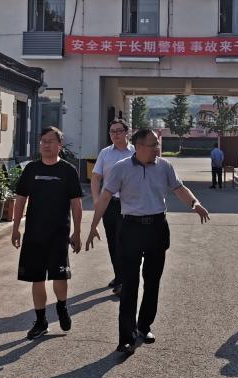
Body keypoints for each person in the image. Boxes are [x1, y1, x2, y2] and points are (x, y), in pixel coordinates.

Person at [86, 128, 210, 356]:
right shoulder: (121, 168)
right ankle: (126, 337)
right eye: (153, 144)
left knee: (152, 281)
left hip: (157, 228)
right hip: (130, 228)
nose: (157, 148)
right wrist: (94, 225)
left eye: (157, 144)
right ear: (140, 146)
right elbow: (105, 196)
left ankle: (144, 325)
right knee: (129, 284)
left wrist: (195, 203)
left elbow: (179, 188)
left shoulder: (164, 166)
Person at [12, 126, 84, 340]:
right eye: (43, 141)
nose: (45, 145)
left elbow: (76, 204)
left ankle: (61, 307)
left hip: (59, 233)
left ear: (59, 145)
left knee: (59, 276)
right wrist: (15, 229)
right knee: (37, 278)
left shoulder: (68, 171)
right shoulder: (31, 169)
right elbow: (20, 200)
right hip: (34, 234)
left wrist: (77, 232)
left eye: (50, 141)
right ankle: (41, 320)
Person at [91, 119, 134, 295]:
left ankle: (124, 281)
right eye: (112, 132)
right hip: (109, 204)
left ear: (127, 132)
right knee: (112, 243)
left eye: (119, 131)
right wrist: (96, 200)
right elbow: (96, 178)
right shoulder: (105, 153)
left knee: (124, 243)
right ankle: (119, 276)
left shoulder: (136, 152)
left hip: (129, 205)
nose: (115, 134)